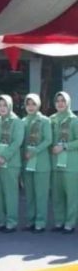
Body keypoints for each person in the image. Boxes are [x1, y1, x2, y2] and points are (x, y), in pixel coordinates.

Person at [0, 94, 24, 233]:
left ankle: (11, 222)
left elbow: (17, 142)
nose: (2, 108)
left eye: (5, 105)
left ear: (10, 106)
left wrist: (4, 157)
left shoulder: (17, 122)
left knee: (10, 194)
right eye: (0, 105)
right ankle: (2, 221)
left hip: (10, 163)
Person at [21, 93, 52, 233]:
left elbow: (48, 140)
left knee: (41, 195)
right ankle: (31, 221)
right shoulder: (23, 121)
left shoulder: (45, 121)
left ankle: (40, 222)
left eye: (33, 104)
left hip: (41, 163)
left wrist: (35, 151)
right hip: (27, 163)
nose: (31, 107)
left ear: (38, 105)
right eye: (28, 104)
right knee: (30, 195)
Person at [50, 91, 78, 234]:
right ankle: (59, 221)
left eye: (63, 101)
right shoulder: (52, 120)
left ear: (68, 103)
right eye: (58, 101)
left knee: (71, 196)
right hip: (55, 164)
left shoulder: (74, 120)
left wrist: (65, 146)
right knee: (57, 195)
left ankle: (70, 223)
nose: (60, 103)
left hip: (71, 165)